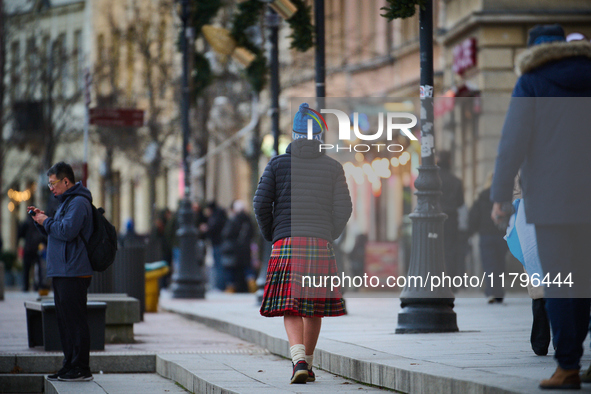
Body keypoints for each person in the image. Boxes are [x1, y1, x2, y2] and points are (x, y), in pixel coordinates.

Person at [490, 24, 591, 390]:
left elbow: (512, 141)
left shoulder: (531, 82)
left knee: (562, 282)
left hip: (552, 201)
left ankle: (568, 366)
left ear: (533, 49)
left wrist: (500, 196)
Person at [253, 102, 352, 384]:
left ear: (294, 134)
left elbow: (260, 203)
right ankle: (307, 364)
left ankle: (297, 361)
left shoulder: (276, 164)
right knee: (314, 306)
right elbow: (344, 207)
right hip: (319, 244)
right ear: (320, 137)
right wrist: (328, 233)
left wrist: (274, 233)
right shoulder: (333, 167)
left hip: (286, 242)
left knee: (291, 306)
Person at [27, 162, 94, 382]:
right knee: (65, 322)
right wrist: (41, 221)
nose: (51, 188)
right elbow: (56, 230)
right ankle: (69, 365)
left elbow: (66, 231)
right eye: (49, 184)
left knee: (75, 322)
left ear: (66, 181)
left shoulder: (78, 203)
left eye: (53, 183)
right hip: (64, 270)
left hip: (74, 271)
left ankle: (81, 368)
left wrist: (47, 221)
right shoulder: (66, 202)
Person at [468, 173, 508, 304]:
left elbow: (474, 215)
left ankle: (491, 291)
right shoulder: (504, 196)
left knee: (489, 264)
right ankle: (498, 292)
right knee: (500, 263)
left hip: (485, 235)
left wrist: (471, 231)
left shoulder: (482, 196)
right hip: (501, 233)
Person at [437, 151, 465, 285]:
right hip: (451, 218)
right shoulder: (456, 181)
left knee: (435, 249)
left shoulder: (433, 179)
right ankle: (450, 282)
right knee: (450, 250)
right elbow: (461, 202)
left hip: (435, 219)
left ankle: (437, 280)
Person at [219, 200, 254, 293]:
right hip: (246, 247)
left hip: (234, 248)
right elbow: (252, 233)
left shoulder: (234, 219)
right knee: (247, 266)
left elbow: (226, 233)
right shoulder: (248, 219)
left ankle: (231, 287)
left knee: (231, 268)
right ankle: (252, 284)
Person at [200, 201, 228, 291]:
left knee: (218, 265)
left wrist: (206, 228)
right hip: (219, 243)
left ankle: (219, 286)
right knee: (218, 265)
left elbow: (213, 229)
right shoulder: (221, 215)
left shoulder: (216, 217)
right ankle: (219, 285)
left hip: (217, 244)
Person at [18, 216, 47, 292]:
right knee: (38, 268)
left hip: (28, 248)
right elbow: (44, 235)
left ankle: (26, 286)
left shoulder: (26, 222)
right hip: (37, 248)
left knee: (27, 269)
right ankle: (38, 285)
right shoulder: (38, 222)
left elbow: (20, 234)